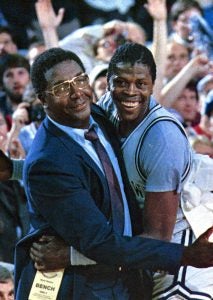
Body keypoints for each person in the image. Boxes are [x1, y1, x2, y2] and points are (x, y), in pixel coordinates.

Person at [5, 47, 212, 300]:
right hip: (98, 280)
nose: (76, 93)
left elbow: (158, 234)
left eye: (80, 80)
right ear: (42, 99)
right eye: (61, 87)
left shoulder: (148, 133)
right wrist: (17, 169)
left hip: (172, 253)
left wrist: (71, 255)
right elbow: (59, 172)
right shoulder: (94, 118)